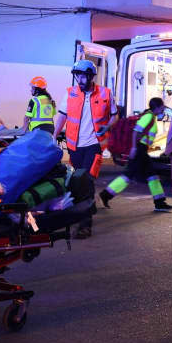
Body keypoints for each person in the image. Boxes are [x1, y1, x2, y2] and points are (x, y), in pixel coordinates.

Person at [53, 59, 118, 239]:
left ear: (90, 76)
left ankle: (85, 225)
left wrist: (109, 126)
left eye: (83, 76)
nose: (80, 79)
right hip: (74, 146)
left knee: (87, 180)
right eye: (77, 75)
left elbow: (114, 115)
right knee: (75, 181)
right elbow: (62, 116)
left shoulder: (105, 93)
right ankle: (83, 209)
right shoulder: (70, 94)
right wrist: (53, 135)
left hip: (94, 144)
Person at [99, 98, 172, 212]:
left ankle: (159, 202)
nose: (163, 108)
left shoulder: (150, 116)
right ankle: (106, 194)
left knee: (152, 175)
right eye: (162, 106)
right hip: (139, 150)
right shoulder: (148, 117)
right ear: (157, 107)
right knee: (128, 176)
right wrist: (134, 148)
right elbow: (136, 131)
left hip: (142, 150)